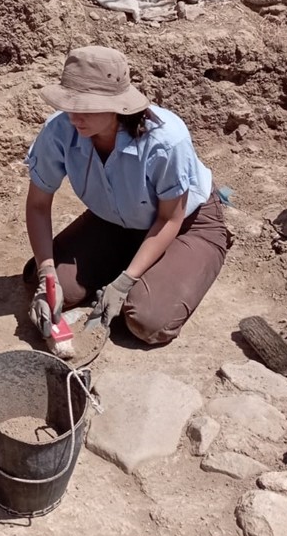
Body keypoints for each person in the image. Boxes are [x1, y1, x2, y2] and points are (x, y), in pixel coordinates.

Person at [24, 47, 228, 356]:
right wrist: (46, 276)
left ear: (118, 106)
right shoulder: (59, 131)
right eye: (70, 104)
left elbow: (170, 218)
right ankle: (129, 262)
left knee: (147, 320)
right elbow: (38, 205)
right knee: (46, 284)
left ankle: (199, 253)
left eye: (88, 107)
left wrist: (125, 282)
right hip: (116, 220)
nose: (75, 116)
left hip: (185, 222)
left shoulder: (165, 140)